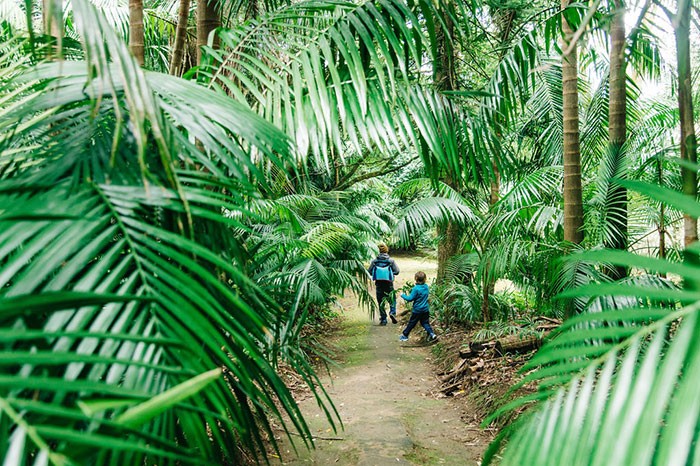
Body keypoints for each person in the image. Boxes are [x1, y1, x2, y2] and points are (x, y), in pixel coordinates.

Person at [399, 271, 437, 342]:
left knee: (411, 323)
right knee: (425, 323)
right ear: (425, 279)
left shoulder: (416, 288)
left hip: (417, 310)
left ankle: (405, 336)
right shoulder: (426, 287)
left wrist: (402, 295)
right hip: (425, 309)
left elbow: (410, 299)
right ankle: (432, 334)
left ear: (416, 278)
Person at [367, 243, 400, 325]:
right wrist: (390, 273)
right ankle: (392, 312)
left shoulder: (375, 261)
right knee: (392, 299)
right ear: (386, 250)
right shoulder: (391, 261)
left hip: (379, 284)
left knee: (380, 301)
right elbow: (397, 271)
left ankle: (383, 319)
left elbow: (369, 272)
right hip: (389, 283)